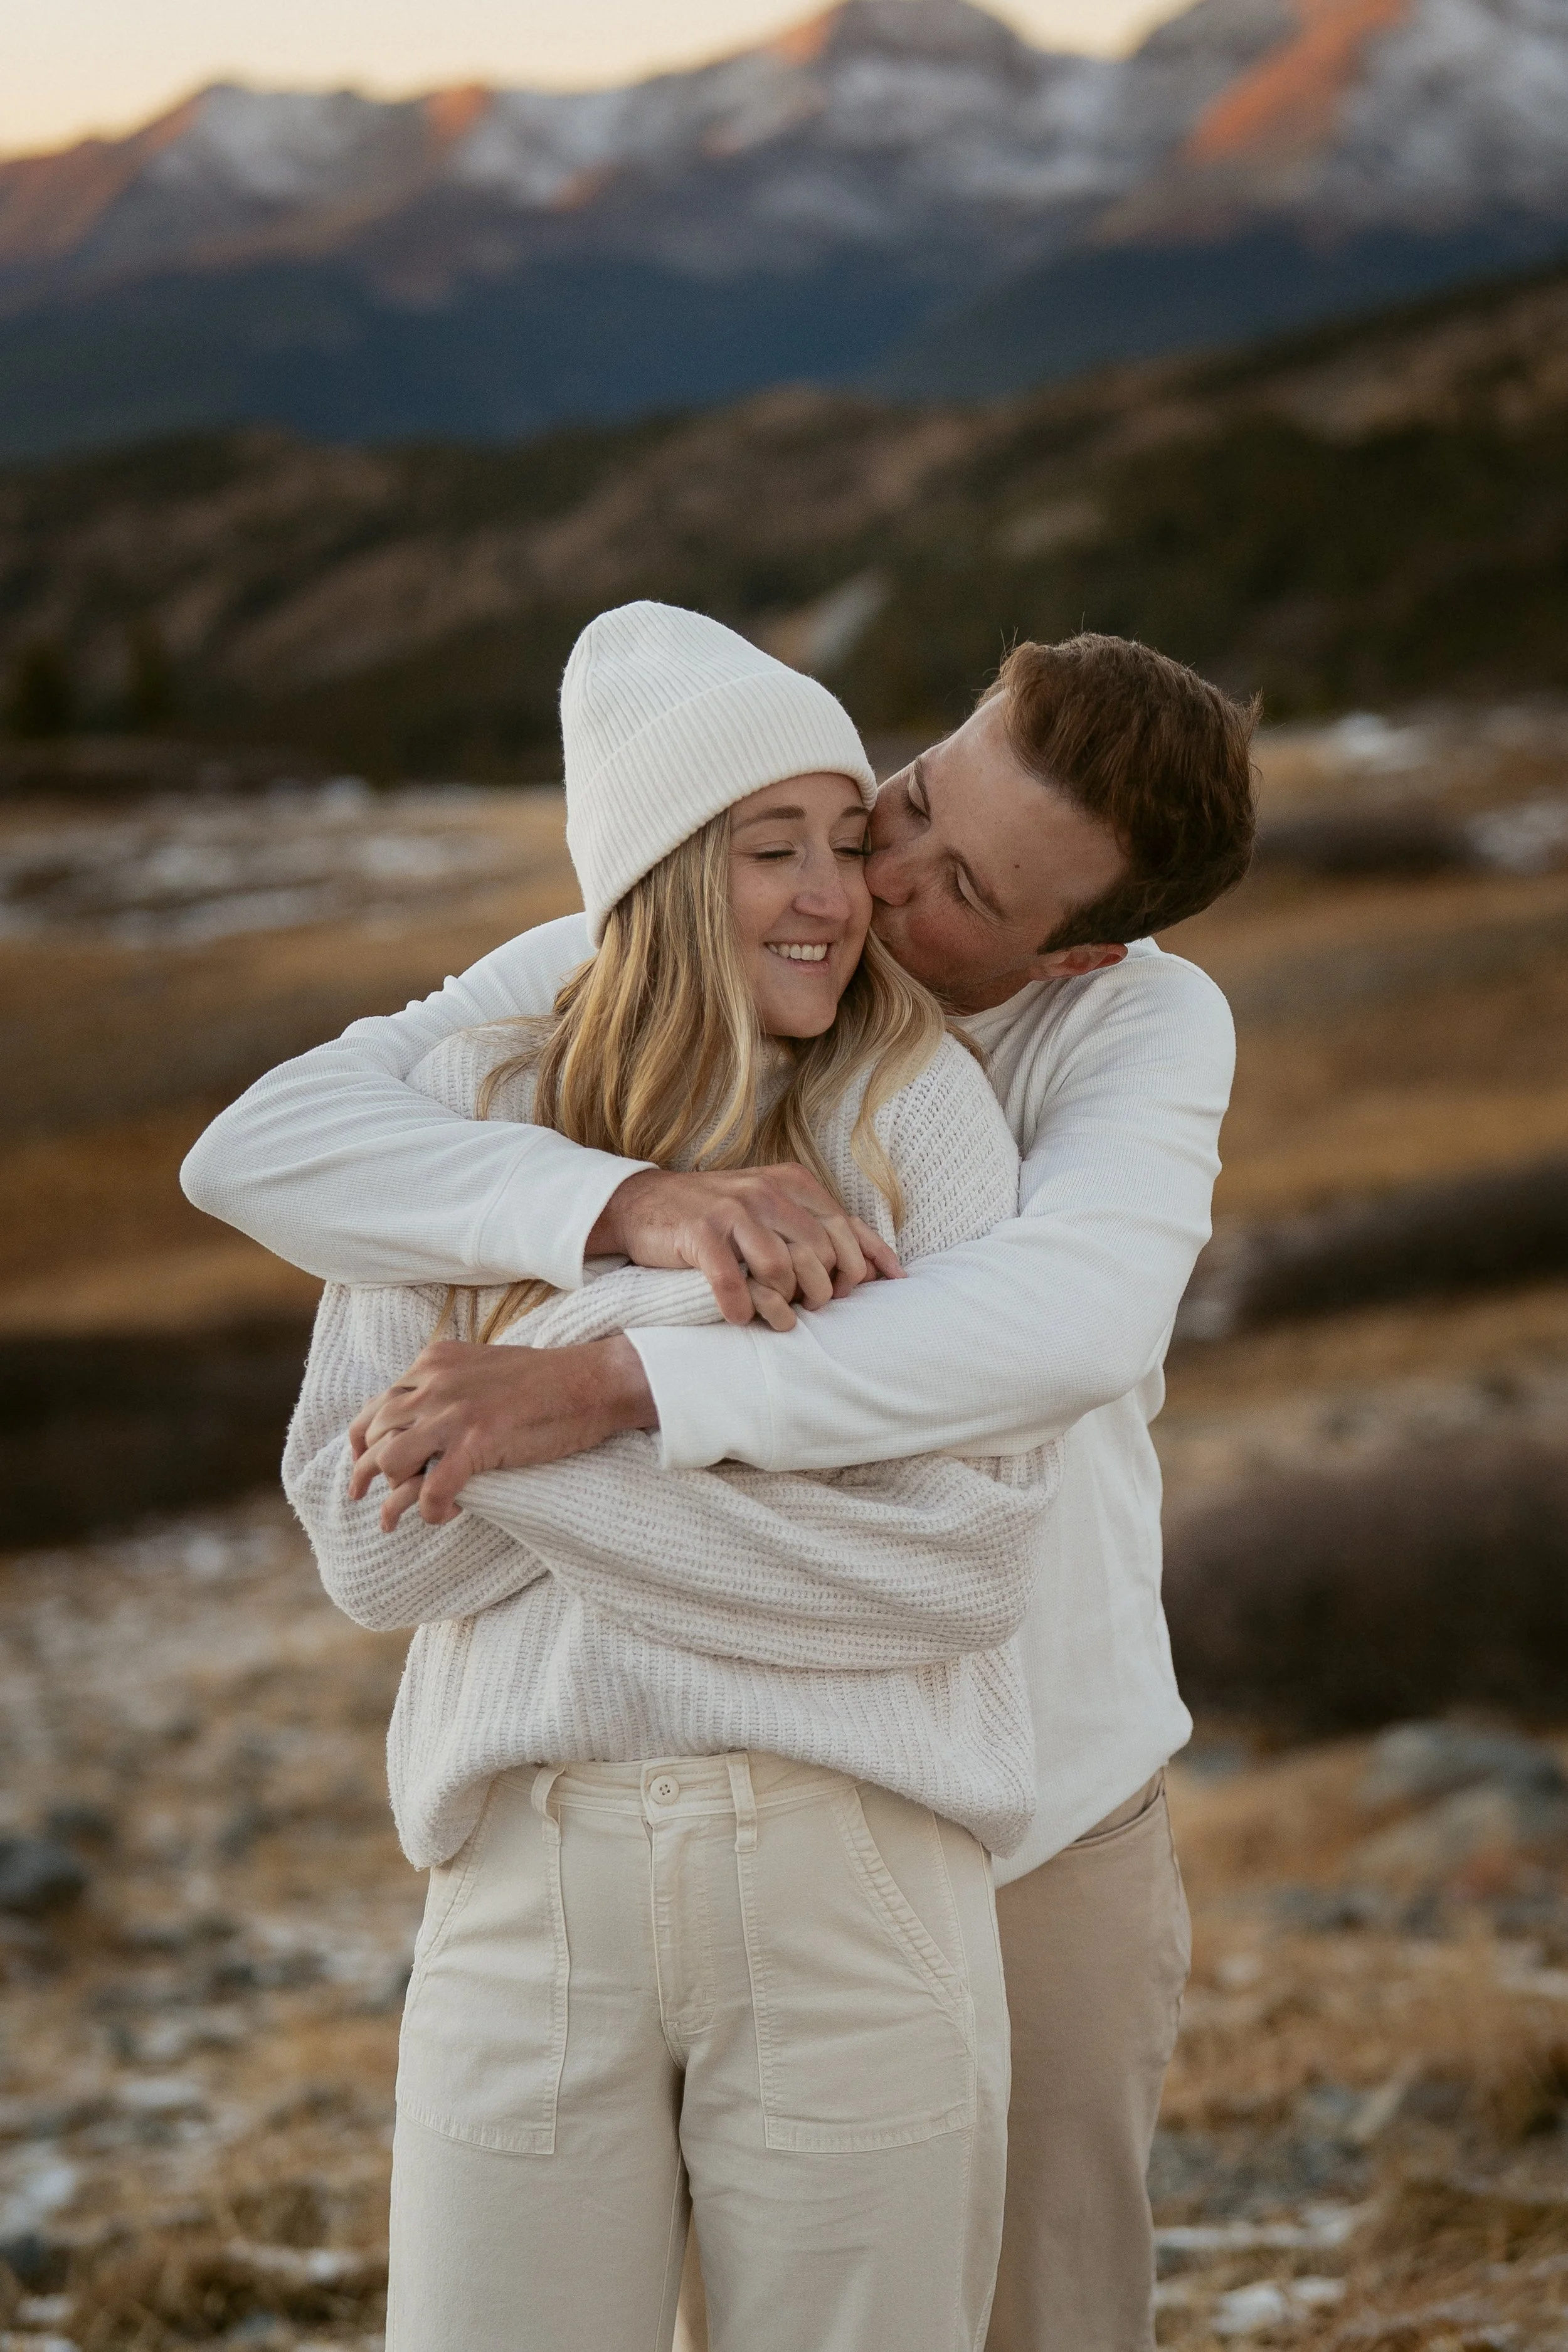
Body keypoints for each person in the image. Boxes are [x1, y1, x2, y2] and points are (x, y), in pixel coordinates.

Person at [185, 617, 1258, 2351]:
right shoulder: (632, 954)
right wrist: (622, 1208)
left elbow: (1065, 1327)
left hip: (1040, 1791)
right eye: (912, 802)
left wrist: (590, 1385)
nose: (877, 880)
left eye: (962, 888)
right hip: (626, 1841)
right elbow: (266, 1150)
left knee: (1037, 2316)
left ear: (1076, 951)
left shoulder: (1127, 1032)